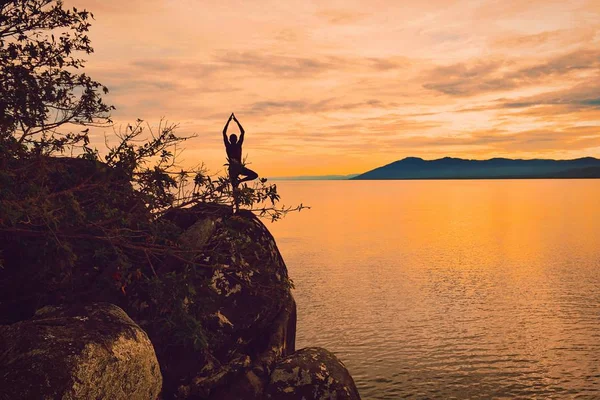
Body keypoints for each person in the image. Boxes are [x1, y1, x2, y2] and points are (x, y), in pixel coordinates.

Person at [222, 113, 258, 188]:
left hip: (238, 168)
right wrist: (235, 121)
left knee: (254, 175)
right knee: (235, 188)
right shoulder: (232, 146)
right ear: (233, 139)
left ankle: (239, 181)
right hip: (234, 169)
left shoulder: (235, 145)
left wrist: (230, 121)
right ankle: (238, 182)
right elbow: (241, 132)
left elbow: (225, 133)